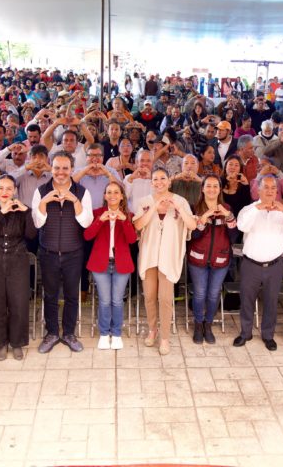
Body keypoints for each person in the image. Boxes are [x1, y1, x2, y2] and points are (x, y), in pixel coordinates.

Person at [32, 151, 93, 353]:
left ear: (71, 170)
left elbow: (86, 222)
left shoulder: (82, 192)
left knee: (71, 295)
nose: (60, 172)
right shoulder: (41, 191)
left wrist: (74, 201)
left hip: (73, 252)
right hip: (48, 251)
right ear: (51, 167)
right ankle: (51, 333)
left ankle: (68, 333)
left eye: (65, 168)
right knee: (49, 295)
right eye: (57, 167)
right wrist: (44, 202)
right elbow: (37, 222)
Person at [134, 168, 196, 355]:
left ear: (169, 181)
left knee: (166, 298)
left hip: (169, 256)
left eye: (163, 178)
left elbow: (192, 225)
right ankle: (153, 330)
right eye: (155, 179)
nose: (159, 182)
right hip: (149, 255)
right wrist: (155, 206)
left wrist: (177, 208)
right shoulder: (144, 202)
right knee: (150, 297)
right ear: (151, 182)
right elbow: (138, 225)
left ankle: (165, 338)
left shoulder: (180, 201)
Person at [234, 175, 283, 351]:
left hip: (274, 266)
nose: (270, 191)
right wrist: (258, 208)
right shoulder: (249, 209)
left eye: (273, 188)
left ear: (277, 191)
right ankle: (245, 333)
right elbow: (242, 226)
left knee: (271, 302)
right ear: (258, 190)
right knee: (247, 300)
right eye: (266, 187)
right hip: (251, 264)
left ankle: (268, 335)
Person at [0, 175, 37, 361]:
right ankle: (0, 343)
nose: (5, 192)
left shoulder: (22, 211)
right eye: (1, 188)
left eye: (9, 188)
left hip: (17, 258)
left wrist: (26, 212)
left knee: (18, 302)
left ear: (14, 191)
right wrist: (1, 213)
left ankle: (17, 342)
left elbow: (31, 235)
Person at [84, 181, 137, 350]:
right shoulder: (97, 213)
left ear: (122, 196)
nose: (113, 195)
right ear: (105, 195)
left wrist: (124, 221)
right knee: (105, 300)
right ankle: (104, 333)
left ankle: (117, 333)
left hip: (121, 264)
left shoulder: (129, 215)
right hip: (101, 264)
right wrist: (100, 220)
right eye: (109, 192)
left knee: (117, 301)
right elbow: (87, 236)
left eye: (116, 192)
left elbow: (132, 240)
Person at [188, 175, 237, 344]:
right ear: (202, 188)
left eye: (215, 186)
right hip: (198, 259)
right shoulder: (194, 208)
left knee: (214, 294)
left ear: (220, 189)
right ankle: (198, 324)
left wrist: (229, 217)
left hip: (220, 258)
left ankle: (208, 324)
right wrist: (203, 218)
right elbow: (192, 236)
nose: (212, 189)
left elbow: (234, 236)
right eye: (208, 186)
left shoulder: (227, 208)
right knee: (200, 294)